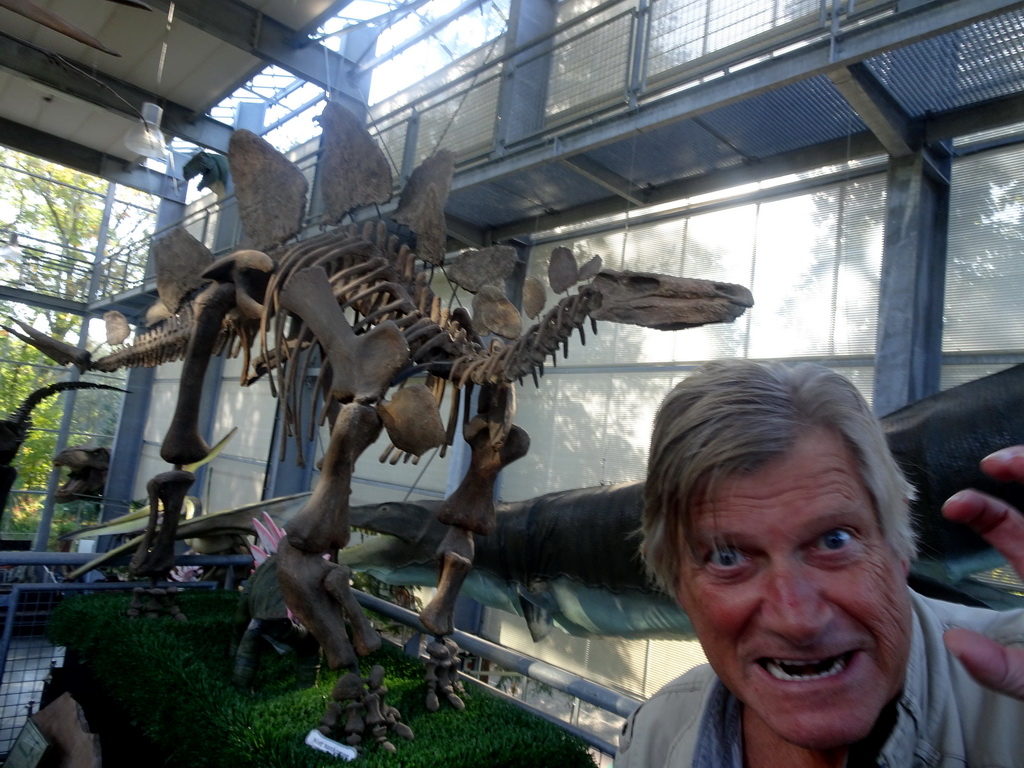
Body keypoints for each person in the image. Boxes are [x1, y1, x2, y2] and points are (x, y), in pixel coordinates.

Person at [616, 359, 1024, 768]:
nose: (797, 620)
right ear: (678, 582)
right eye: (728, 557)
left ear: (897, 545)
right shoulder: (655, 738)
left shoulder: (1012, 698)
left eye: (834, 541)